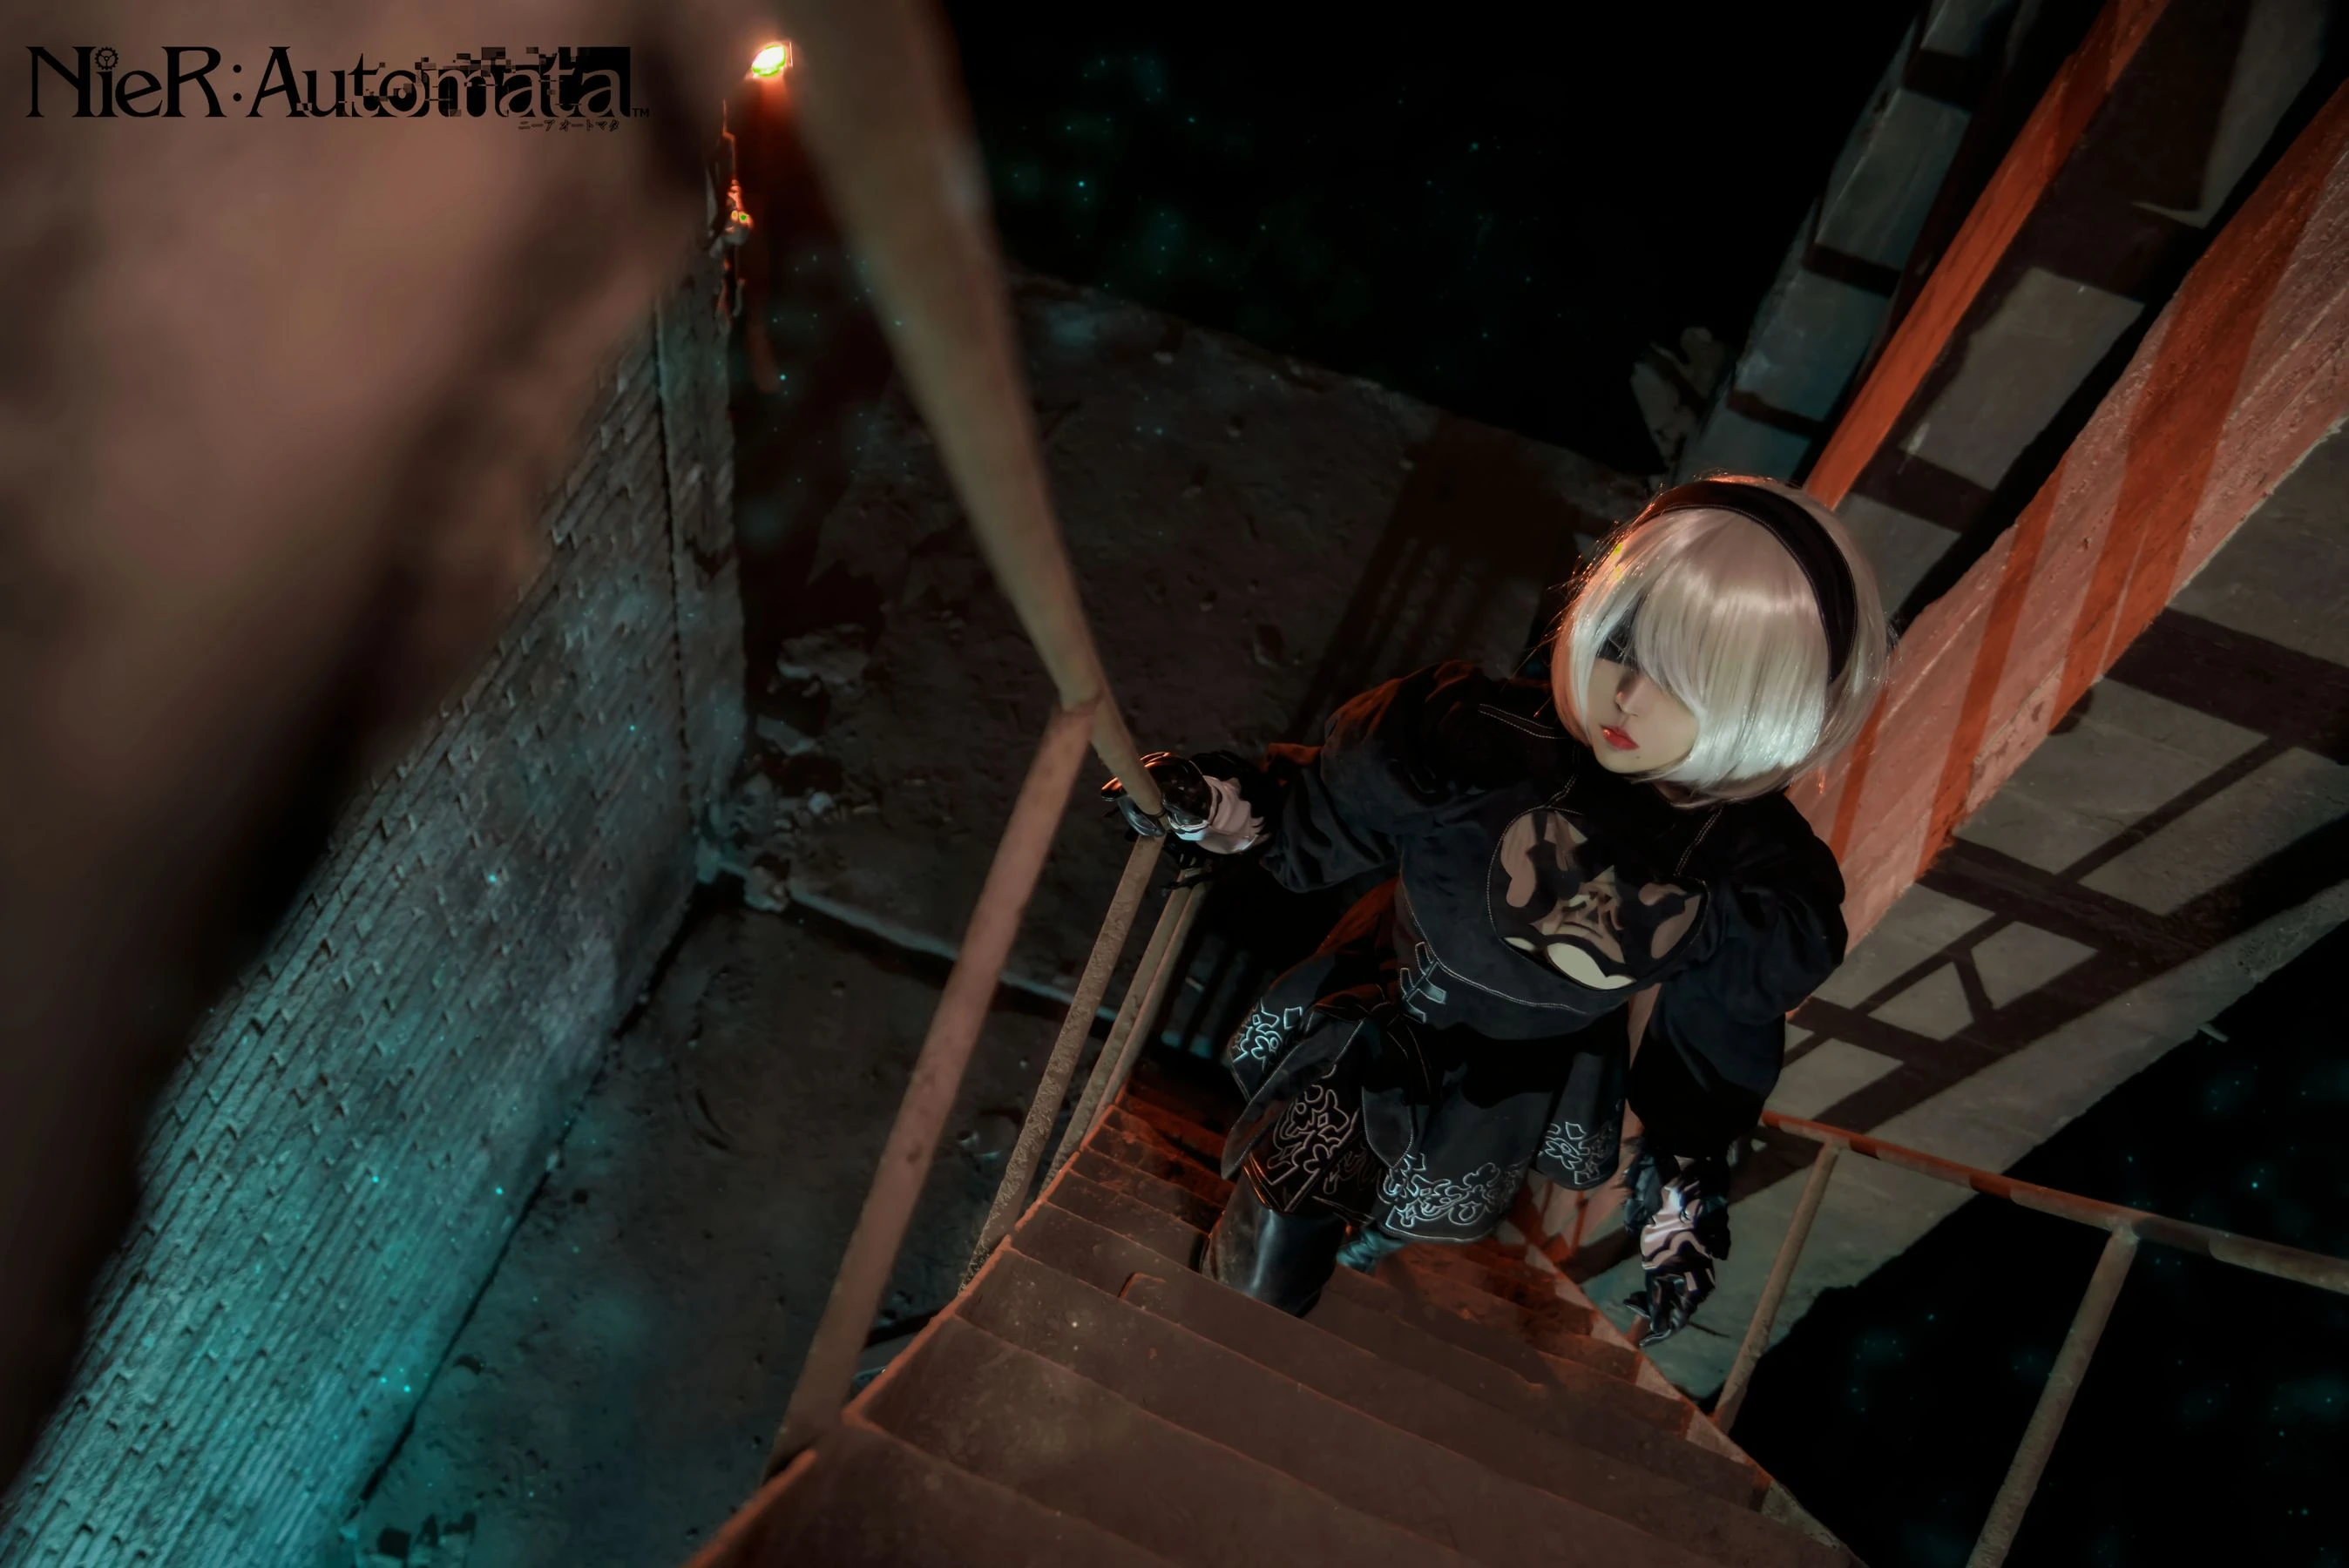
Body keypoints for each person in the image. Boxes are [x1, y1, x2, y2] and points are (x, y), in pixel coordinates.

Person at [1106, 476, 1889, 1342]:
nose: (1627, 698)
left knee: (1423, 1191)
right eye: (1619, 645)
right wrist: (1214, 806)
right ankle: (1224, 1330)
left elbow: (1712, 1042)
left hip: (1525, 1066)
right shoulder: (1475, 739)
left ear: (1768, 704)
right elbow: (1316, 816)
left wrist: (1685, 1183)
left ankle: (1365, 1244)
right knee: (1289, 1208)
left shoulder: (1752, 880)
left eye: (1686, 681)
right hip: (1393, 1003)